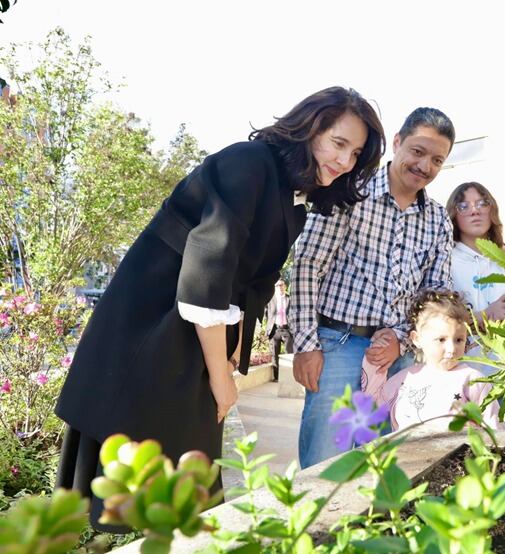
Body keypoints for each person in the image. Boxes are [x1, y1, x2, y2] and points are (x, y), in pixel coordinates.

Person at [54, 86, 385, 529]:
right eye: (338, 143)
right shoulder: (248, 165)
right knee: (147, 485)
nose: (344, 161)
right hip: (154, 328)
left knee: (180, 488)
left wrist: (228, 356)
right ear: (308, 129)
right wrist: (222, 375)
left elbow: (248, 284)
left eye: (355, 153)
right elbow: (207, 271)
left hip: (187, 335)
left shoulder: (293, 196)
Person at [290, 107, 456, 468]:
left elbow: (436, 292)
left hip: (400, 358)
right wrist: (305, 345)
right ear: (397, 142)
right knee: (326, 465)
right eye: (417, 151)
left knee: (389, 468)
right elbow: (308, 264)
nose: (425, 165)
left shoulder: (439, 218)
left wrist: (402, 337)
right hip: (337, 347)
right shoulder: (349, 192)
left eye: (437, 160)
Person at [445, 182, 505, 374]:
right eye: (464, 206)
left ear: (492, 209)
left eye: (482, 204)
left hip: (504, 367)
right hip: (459, 370)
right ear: (454, 215)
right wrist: (483, 316)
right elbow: (438, 318)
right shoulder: (445, 260)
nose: (474, 211)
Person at [374, 289, 499, 432]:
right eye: (441, 339)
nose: (451, 349)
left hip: (459, 453)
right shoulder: (403, 381)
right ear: (417, 339)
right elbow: (372, 412)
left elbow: (493, 430)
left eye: (459, 340)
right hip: (409, 453)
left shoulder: (473, 381)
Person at [266, 279, 292, 381]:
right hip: (275, 329)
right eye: (277, 285)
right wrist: (268, 328)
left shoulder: (290, 298)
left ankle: (288, 377)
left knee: (289, 353)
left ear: (285, 286)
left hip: (287, 329)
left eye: (281, 285)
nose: (279, 287)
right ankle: (277, 377)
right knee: (274, 354)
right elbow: (266, 313)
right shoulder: (271, 300)